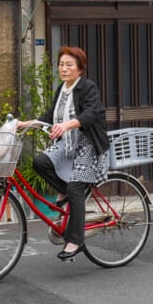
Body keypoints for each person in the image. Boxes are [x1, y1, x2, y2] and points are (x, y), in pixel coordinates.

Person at [31, 46, 109, 261]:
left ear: (80, 69)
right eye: (61, 64)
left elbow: (91, 113)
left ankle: (75, 241)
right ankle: (65, 191)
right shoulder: (62, 89)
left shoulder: (87, 87)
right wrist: (26, 123)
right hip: (68, 144)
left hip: (89, 144)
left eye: (69, 65)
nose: (63, 69)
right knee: (40, 162)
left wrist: (66, 126)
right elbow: (49, 115)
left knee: (76, 188)